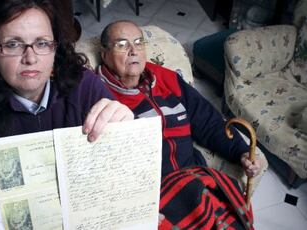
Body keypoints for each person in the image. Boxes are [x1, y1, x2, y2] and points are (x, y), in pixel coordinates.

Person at [98, 20, 262, 229]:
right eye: (122, 44)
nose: (133, 51)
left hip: (194, 177)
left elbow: (208, 121)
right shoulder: (99, 97)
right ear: (104, 55)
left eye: (139, 43)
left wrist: (241, 152)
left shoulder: (167, 79)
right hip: (154, 194)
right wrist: (136, 205)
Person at [0, 0, 133, 144]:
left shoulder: (84, 84)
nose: (30, 59)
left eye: (42, 43)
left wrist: (129, 126)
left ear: (56, 48)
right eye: (13, 44)